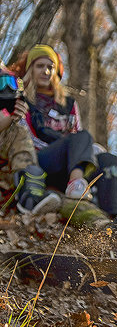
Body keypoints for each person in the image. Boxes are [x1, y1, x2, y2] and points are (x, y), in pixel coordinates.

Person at [13, 45, 117, 217]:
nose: (46, 71)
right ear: (30, 69)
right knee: (81, 138)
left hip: (69, 163)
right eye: (40, 66)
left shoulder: (69, 103)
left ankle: (115, 216)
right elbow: (25, 137)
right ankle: (76, 182)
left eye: (50, 67)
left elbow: (78, 134)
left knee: (108, 160)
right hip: (40, 161)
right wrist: (64, 145)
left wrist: (74, 148)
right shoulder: (23, 99)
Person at [0, 65, 60, 215]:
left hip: (6, 183)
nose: (7, 88)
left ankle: (30, 196)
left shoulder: (13, 130)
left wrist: (11, 119)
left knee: (18, 131)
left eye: (11, 83)